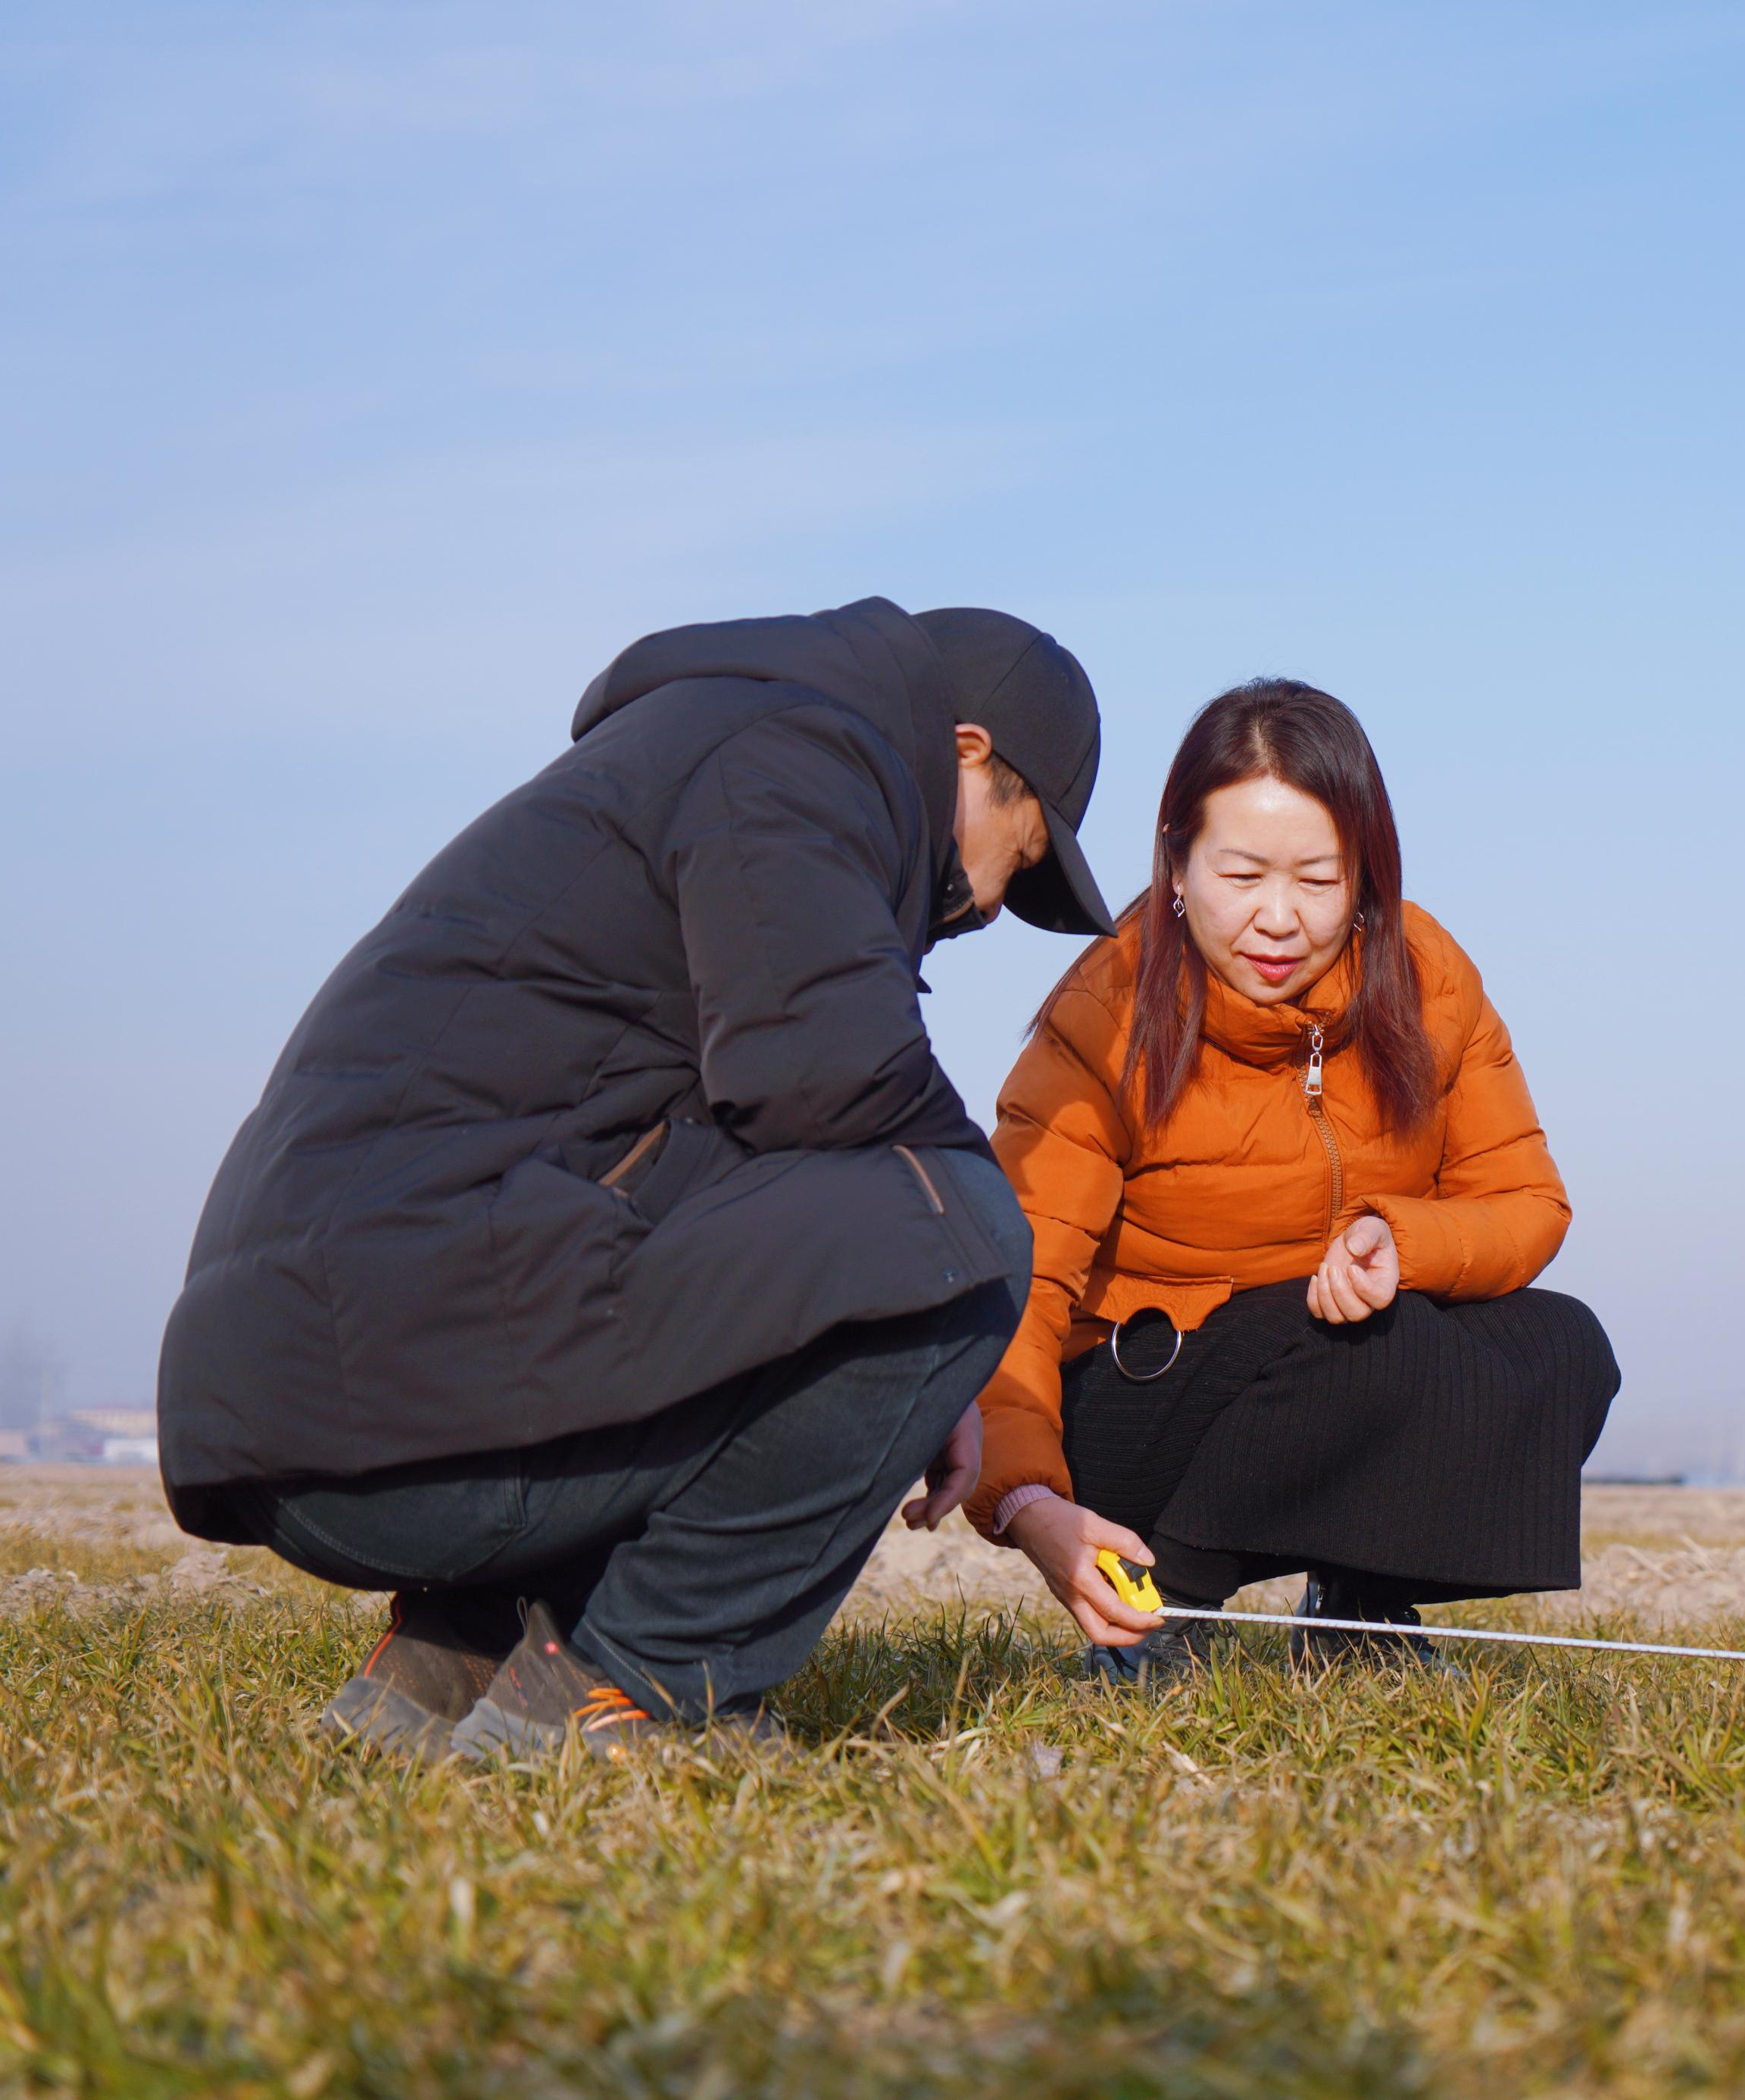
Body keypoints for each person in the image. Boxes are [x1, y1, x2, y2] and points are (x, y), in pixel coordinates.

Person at [158, 598, 1119, 1758]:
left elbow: (732, 1141)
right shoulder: (803, 754)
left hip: (314, 1398)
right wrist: (947, 1294)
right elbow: (822, 1074)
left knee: (862, 1217)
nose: (989, 903)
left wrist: (931, 1353)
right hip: (381, 1427)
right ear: (970, 753)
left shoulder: (712, 743)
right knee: (963, 1218)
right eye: (1015, 858)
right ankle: (642, 1689)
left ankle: (460, 1651)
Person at [960, 678, 1619, 1679]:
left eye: (1318, 879)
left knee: (1561, 1347)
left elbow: (1525, 1201)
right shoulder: (1110, 1010)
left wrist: (1407, 1241)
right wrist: (1023, 1496)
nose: (1277, 918)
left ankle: (1359, 1609)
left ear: (1365, 874)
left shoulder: (1429, 974)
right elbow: (1021, 1280)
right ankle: (1151, 1611)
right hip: (1140, 1390)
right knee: (1342, 1346)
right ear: (1178, 859)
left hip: (1330, 1370)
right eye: (1241, 873)